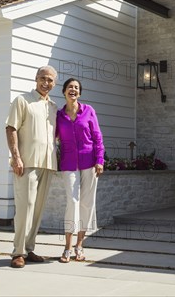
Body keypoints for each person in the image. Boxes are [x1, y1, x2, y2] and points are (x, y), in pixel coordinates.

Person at [5, 65, 59, 268]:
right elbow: (11, 128)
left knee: (37, 210)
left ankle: (29, 249)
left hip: (47, 164)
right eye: (43, 78)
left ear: (54, 83)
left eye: (50, 80)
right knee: (24, 208)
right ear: (36, 79)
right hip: (26, 164)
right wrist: (16, 157)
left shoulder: (53, 107)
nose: (46, 83)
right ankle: (17, 252)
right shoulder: (22, 101)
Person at [56, 77, 105, 263]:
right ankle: (67, 246)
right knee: (72, 202)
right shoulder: (59, 115)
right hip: (68, 163)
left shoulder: (89, 111)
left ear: (80, 93)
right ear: (64, 92)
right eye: (70, 87)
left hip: (90, 162)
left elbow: (98, 138)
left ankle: (80, 245)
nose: (73, 90)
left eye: (76, 88)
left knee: (87, 203)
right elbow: (52, 137)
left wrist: (100, 160)